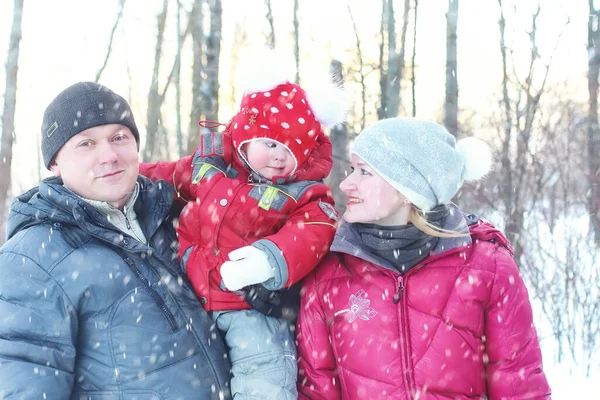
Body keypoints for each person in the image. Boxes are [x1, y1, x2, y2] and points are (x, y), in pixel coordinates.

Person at [0, 82, 232, 399]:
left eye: (119, 138)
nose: (108, 155)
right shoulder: (31, 260)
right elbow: (24, 382)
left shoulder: (177, 217)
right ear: (55, 162)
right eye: (86, 144)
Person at [296, 117, 552, 399]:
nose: (346, 184)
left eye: (364, 172)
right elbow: (316, 390)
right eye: (352, 169)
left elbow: (519, 383)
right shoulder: (329, 273)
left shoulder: (487, 267)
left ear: (408, 189)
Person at [139, 56, 346, 399]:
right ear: (248, 136)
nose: (280, 156)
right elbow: (167, 174)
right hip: (192, 298)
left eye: (292, 149)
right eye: (271, 144)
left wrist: (269, 259)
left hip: (252, 307)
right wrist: (130, 177)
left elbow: (314, 231)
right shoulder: (209, 167)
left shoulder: (303, 193)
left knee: (263, 375)